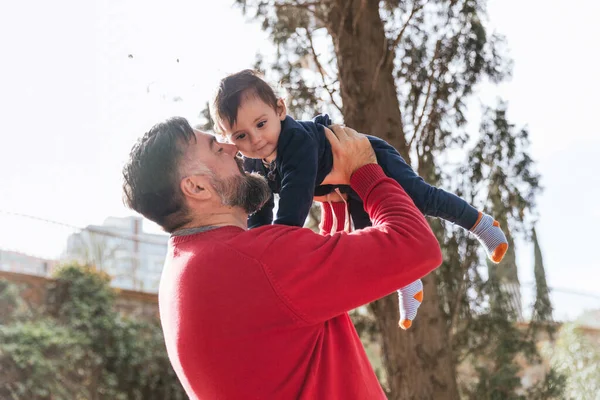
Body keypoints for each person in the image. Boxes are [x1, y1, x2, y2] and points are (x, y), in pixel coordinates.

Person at [121, 117, 443, 399]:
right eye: (217, 149)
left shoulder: (183, 270)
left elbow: (295, 322)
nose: (233, 148)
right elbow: (416, 246)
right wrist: (365, 171)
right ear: (197, 187)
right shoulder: (257, 260)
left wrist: (332, 208)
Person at [211, 69, 509, 328]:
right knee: (373, 237)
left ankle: (481, 223)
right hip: (343, 184)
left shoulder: (295, 142)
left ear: (280, 110)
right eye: (241, 136)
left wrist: (277, 248)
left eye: (261, 124)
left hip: (368, 157)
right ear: (228, 138)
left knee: (420, 196)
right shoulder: (251, 162)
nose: (256, 140)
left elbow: (294, 202)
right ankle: (408, 283)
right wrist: (258, 247)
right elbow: (260, 207)